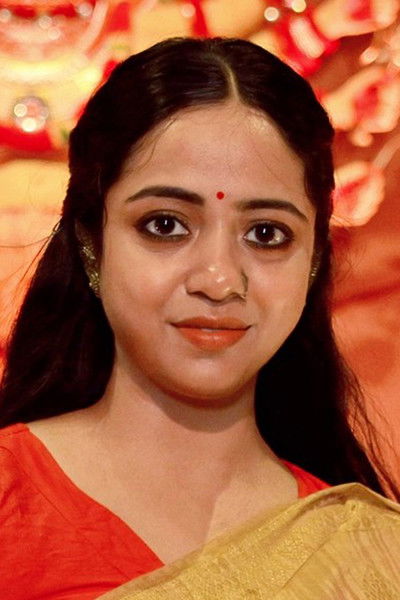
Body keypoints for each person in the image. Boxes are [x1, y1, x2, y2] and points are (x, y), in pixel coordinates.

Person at [0, 37, 399, 600]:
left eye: (266, 234)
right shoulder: (9, 499)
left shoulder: (370, 557)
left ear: (313, 262)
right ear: (91, 244)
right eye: (165, 225)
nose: (218, 280)